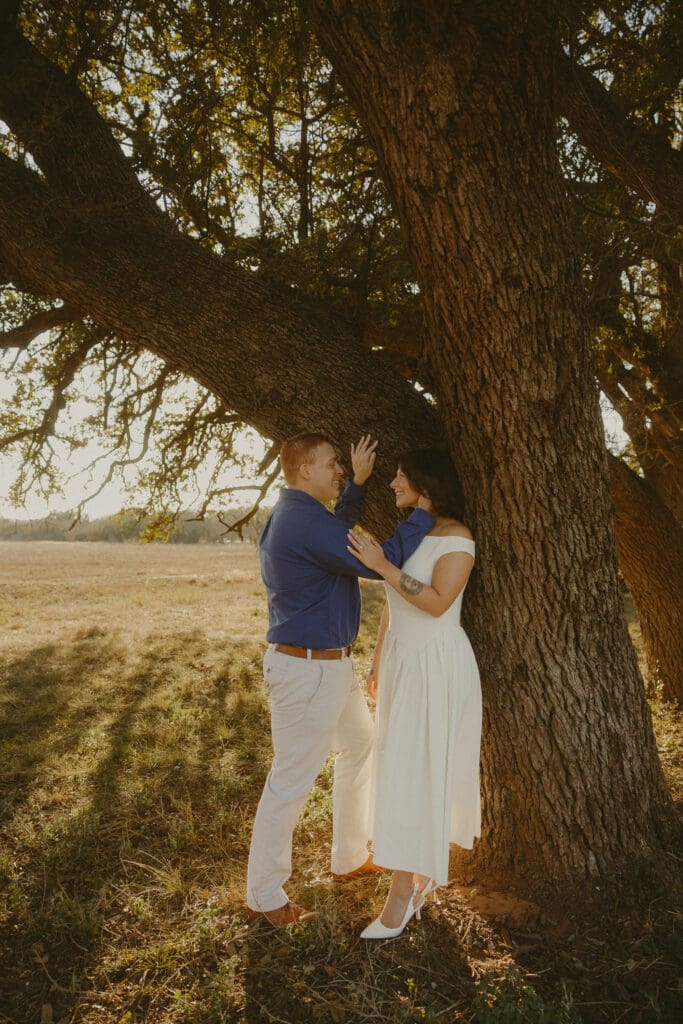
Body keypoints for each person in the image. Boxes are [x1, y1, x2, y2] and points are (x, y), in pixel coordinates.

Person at [246, 432, 435, 926]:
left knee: (359, 742)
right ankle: (265, 896)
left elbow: (337, 533)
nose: (341, 471)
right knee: (290, 781)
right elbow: (379, 559)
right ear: (305, 470)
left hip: (326, 665)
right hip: (309, 670)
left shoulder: (301, 515)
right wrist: (426, 509)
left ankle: (350, 856)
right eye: (332, 464)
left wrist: (358, 487)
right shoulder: (304, 522)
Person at [347, 448, 481, 939]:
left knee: (418, 771)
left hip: (435, 664)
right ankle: (416, 876)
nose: (393, 483)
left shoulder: (458, 538)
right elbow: (393, 605)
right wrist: (378, 659)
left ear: (425, 482)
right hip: (403, 661)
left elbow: (437, 602)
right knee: (399, 766)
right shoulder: (415, 531)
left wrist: (382, 565)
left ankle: (404, 892)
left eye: (401, 476)